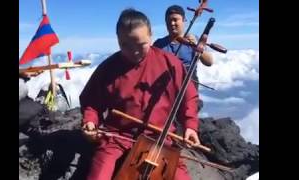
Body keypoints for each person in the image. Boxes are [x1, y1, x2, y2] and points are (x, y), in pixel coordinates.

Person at [79, 8, 200, 180]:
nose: (134, 51)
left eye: (140, 44)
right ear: (118, 40)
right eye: (125, 45)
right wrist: (90, 122)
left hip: (160, 139)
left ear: (150, 36)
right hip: (118, 137)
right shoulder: (108, 68)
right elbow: (91, 102)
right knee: (99, 176)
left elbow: (188, 97)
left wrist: (190, 126)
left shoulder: (170, 63)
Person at [153, 5, 213, 111]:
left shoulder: (194, 40)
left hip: (188, 94)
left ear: (184, 20)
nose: (172, 23)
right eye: (169, 20)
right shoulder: (159, 44)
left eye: (175, 20)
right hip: (165, 95)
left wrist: (195, 45)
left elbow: (209, 62)